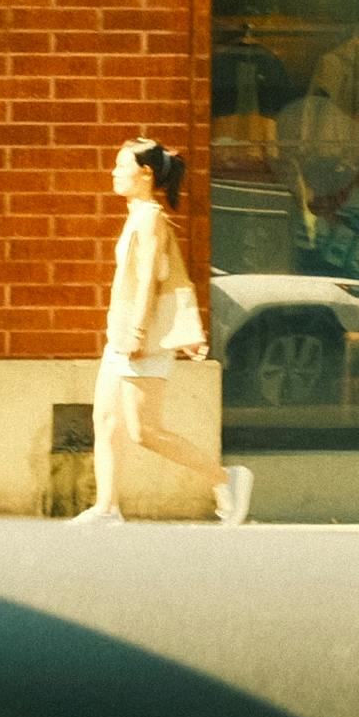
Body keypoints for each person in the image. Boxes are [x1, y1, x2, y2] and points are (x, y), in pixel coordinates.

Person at [81, 137, 249, 526]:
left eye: (122, 166)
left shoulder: (151, 216)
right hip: (122, 336)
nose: (114, 172)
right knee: (105, 421)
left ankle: (226, 478)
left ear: (146, 174)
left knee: (145, 431)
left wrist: (138, 333)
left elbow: (149, 282)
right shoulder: (137, 214)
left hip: (141, 338)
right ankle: (107, 508)